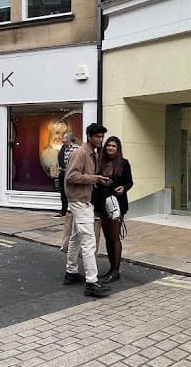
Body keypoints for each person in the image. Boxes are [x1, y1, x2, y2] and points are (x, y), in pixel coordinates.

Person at [63, 123, 112, 297]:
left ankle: (71, 273)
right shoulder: (81, 153)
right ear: (89, 137)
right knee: (89, 240)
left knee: (76, 237)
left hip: (82, 199)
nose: (101, 139)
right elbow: (71, 176)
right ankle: (92, 282)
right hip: (79, 200)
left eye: (102, 136)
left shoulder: (92, 153)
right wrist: (95, 178)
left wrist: (97, 180)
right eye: (98, 136)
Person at [93, 136, 133, 284]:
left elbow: (130, 182)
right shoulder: (100, 162)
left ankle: (116, 271)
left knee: (114, 237)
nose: (110, 148)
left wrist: (124, 188)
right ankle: (111, 268)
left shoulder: (124, 163)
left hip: (117, 204)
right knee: (108, 237)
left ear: (118, 149)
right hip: (102, 204)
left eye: (113, 146)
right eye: (108, 145)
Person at [56, 132, 77, 217]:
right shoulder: (63, 148)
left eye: (64, 138)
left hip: (71, 173)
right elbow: (60, 160)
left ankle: (73, 211)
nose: (62, 140)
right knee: (63, 193)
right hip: (63, 173)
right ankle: (63, 211)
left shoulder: (76, 148)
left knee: (72, 192)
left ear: (69, 139)